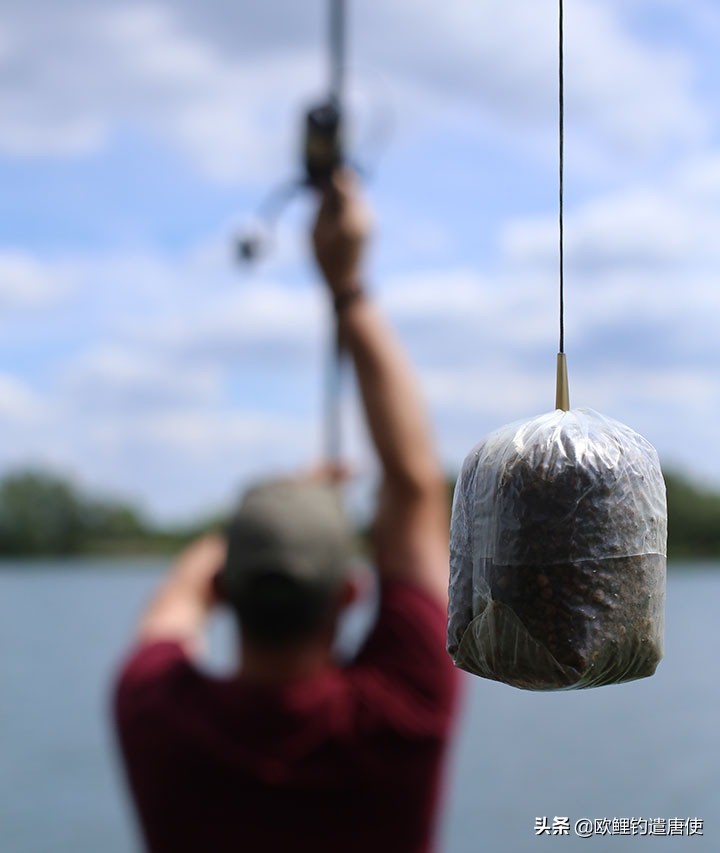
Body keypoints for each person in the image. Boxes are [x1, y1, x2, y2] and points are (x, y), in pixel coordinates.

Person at [113, 171, 461, 853]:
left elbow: (177, 599)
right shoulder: (403, 711)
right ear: (349, 594)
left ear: (225, 590)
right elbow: (415, 485)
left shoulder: (155, 714)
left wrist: (279, 507)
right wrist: (348, 287)